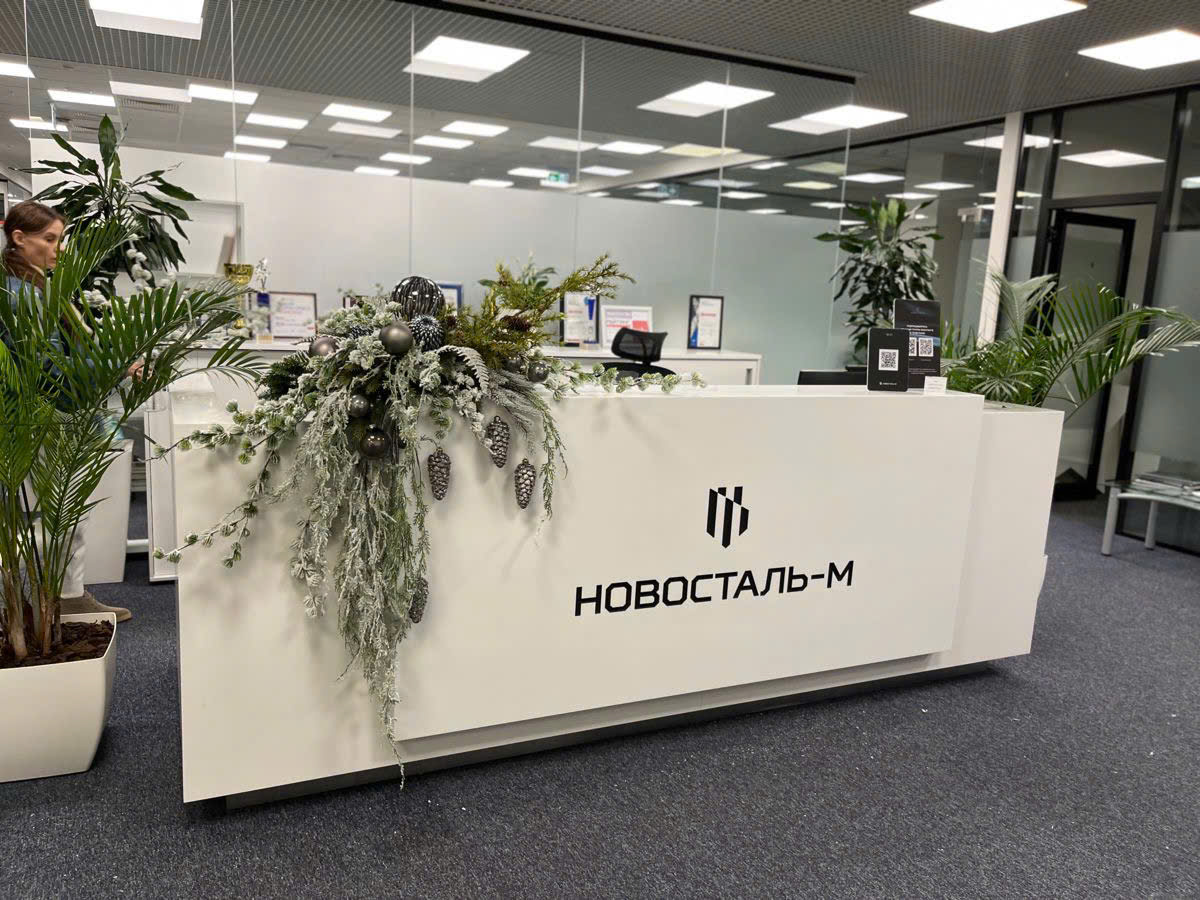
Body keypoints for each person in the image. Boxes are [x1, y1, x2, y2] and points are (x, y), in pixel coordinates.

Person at [3, 199, 134, 623]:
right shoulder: (23, 294)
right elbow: (49, 368)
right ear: (18, 238)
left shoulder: (32, 286)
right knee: (61, 511)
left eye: (60, 239)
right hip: (45, 417)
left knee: (63, 511)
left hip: (43, 416)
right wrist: (116, 366)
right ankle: (61, 600)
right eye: (49, 239)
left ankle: (66, 598)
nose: (57, 249)